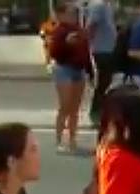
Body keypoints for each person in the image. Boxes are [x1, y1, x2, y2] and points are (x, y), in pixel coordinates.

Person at [50, 1, 93, 153]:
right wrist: (66, 43)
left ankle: (73, 140)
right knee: (65, 106)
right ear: (61, 15)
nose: (74, 15)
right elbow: (54, 53)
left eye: (75, 13)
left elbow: (86, 51)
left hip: (79, 70)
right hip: (64, 69)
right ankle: (59, 140)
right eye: (70, 13)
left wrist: (90, 71)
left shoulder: (79, 30)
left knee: (75, 108)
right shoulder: (59, 31)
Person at [86, 0, 118, 127]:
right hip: (102, 50)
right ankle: (96, 113)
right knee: (104, 83)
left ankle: (103, 112)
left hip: (109, 49)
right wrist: (88, 45)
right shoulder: (98, 5)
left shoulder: (107, 5)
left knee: (108, 82)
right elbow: (91, 26)